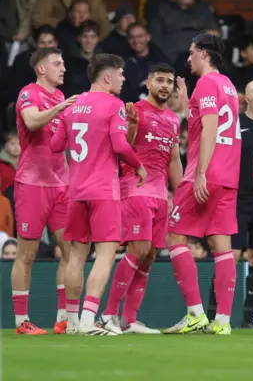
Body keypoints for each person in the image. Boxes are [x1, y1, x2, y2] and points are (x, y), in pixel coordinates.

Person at [50, 54, 146, 335]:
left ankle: (72, 321)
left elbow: (56, 145)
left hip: (76, 191)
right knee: (105, 254)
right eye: (120, 74)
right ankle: (90, 319)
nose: (123, 79)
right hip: (104, 191)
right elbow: (119, 145)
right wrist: (138, 166)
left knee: (76, 256)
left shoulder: (72, 105)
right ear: (107, 77)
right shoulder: (114, 105)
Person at [164, 33, 240, 336]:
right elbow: (204, 121)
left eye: (192, 52)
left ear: (205, 54)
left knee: (175, 240)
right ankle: (222, 321)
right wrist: (187, 101)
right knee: (222, 247)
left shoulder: (208, 83)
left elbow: (209, 129)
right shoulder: (228, 86)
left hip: (206, 172)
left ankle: (195, 314)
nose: (188, 58)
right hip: (228, 175)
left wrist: (200, 174)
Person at [98, 63, 182, 334]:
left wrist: (179, 195)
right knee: (138, 249)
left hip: (160, 195)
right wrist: (133, 126)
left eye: (169, 81)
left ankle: (129, 320)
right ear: (148, 83)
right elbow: (123, 146)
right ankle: (108, 315)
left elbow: (174, 159)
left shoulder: (173, 119)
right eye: (160, 80)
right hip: (135, 188)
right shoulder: (134, 110)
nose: (165, 85)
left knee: (150, 255)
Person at [11, 47, 77, 335]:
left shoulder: (60, 96)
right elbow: (32, 121)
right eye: (57, 63)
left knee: (69, 250)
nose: (63, 68)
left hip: (61, 185)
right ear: (41, 68)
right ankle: (21, 321)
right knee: (28, 254)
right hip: (32, 184)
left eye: (63, 63)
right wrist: (60, 109)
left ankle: (63, 317)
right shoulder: (29, 93)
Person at [206, 79, 253, 329]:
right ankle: (212, 316)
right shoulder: (234, 126)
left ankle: (248, 319)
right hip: (236, 199)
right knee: (230, 256)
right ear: (246, 99)